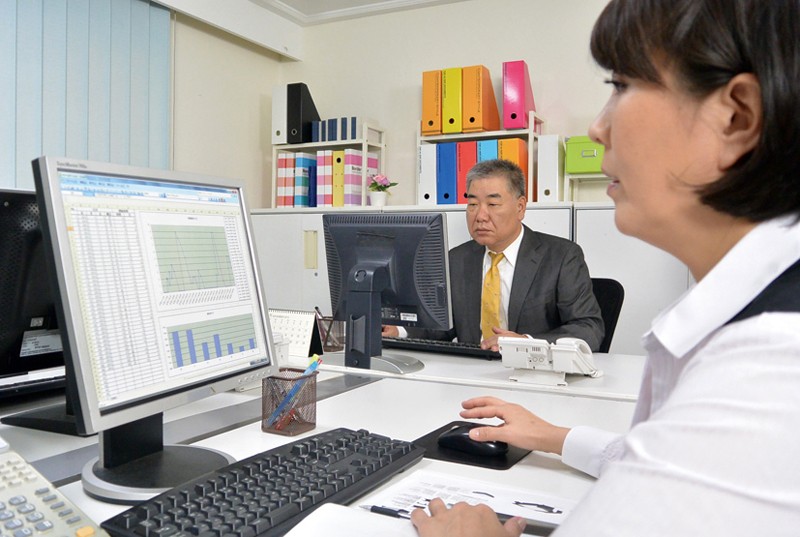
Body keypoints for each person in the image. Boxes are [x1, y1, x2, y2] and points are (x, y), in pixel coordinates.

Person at [410, 0, 800, 535]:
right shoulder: (753, 321)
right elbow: (662, 463)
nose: (596, 128)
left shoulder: (772, 367)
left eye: (621, 85)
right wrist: (553, 435)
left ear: (735, 117)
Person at [383, 159, 604, 351]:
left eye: (493, 204)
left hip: (532, 372)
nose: (480, 215)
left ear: (520, 207)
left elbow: (589, 328)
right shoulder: (456, 259)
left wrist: (528, 343)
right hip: (472, 370)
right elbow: (442, 326)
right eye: (472, 204)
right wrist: (400, 331)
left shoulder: (561, 257)